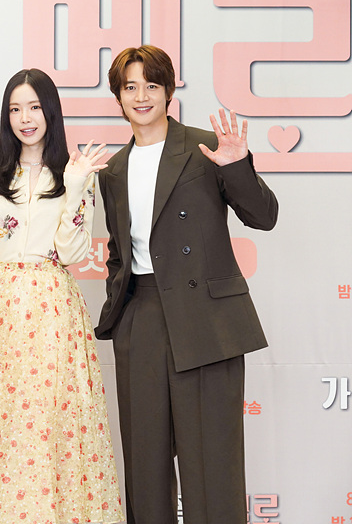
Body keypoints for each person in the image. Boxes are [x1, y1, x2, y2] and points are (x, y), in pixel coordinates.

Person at [96, 45, 279, 524]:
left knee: (213, 464)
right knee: (145, 465)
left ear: (168, 92)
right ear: (118, 96)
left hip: (207, 320)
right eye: (130, 87)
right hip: (142, 318)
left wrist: (237, 165)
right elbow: (119, 250)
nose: (141, 96)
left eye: (151, 85)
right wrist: (119, 313)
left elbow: (264, 216)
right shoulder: (113, 170)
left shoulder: (205, 147)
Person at [0, 68, 123, 523]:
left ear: (50, 111)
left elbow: (71, 252)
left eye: (33, 107)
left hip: (55, 313)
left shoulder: (74, 172)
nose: (25, 118)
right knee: (5, 435)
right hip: (4, 313)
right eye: (15, 109)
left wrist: (78, 184)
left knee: (57, 430)